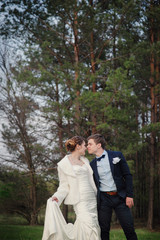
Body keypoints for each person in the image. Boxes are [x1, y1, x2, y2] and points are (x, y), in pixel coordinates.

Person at [42, 136, 101, 240]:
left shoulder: (85, 161)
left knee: (94, 225)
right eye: (84, 145)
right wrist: (57, 197)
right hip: (80, 200)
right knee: (89, 225)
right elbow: (64, 186)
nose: (86, 148)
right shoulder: (63, 164)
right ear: (78, 146)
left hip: (92, 198)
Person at [87, 134, 138, 240]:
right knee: (103, 230)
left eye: (90, 144)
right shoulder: (91, 164)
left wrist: (129, 195)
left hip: (120, 197)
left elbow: (127, 176)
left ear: (99, 145)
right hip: (104, 200)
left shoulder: (117, 155)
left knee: (129, 228)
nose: (88, 146)